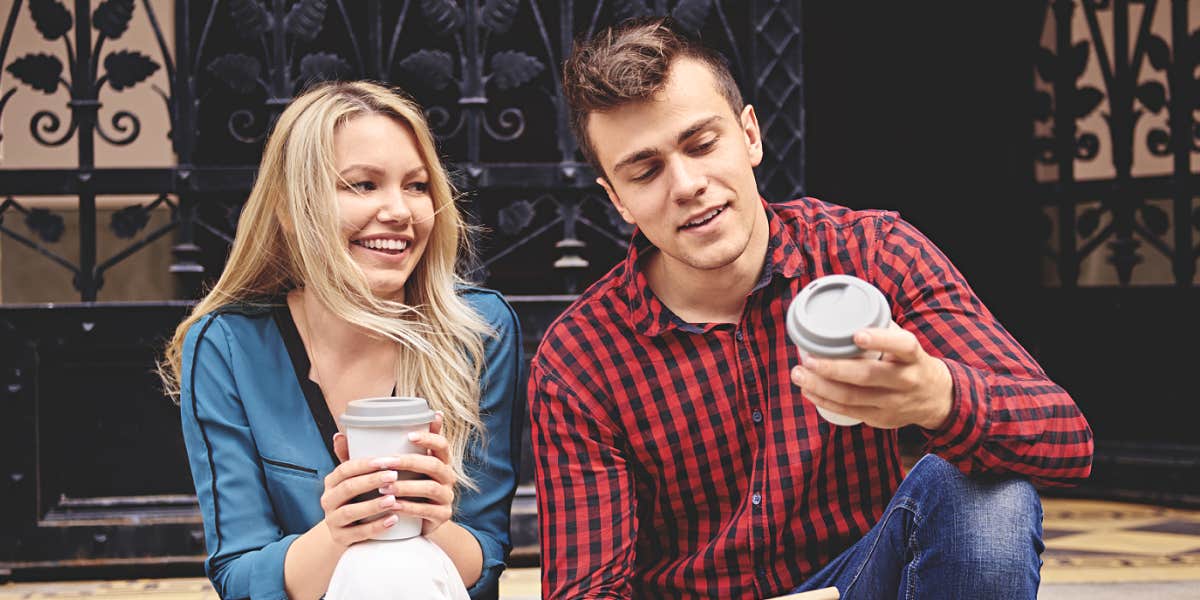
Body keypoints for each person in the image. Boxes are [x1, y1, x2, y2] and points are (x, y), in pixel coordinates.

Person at [528, 17, 1093, 600]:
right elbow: (585, 591)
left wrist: (939, 397)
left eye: (702, 144)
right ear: (616, 198)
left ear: (750, 135)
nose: (687, 183)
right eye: (645, 171)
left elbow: (1066, 437)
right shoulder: (580, 357)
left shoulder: (871, 252)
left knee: (984, 483)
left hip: (859, 580)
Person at [159, 81, 523, 600]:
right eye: (362, 185)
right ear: (290, 209)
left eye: (417, 186)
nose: (400, 210)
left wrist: (431, 520)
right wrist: (338, 533)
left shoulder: (477, 329)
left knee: (403, 564)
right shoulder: (226, 346)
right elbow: (239, 578)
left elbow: (484, 559)